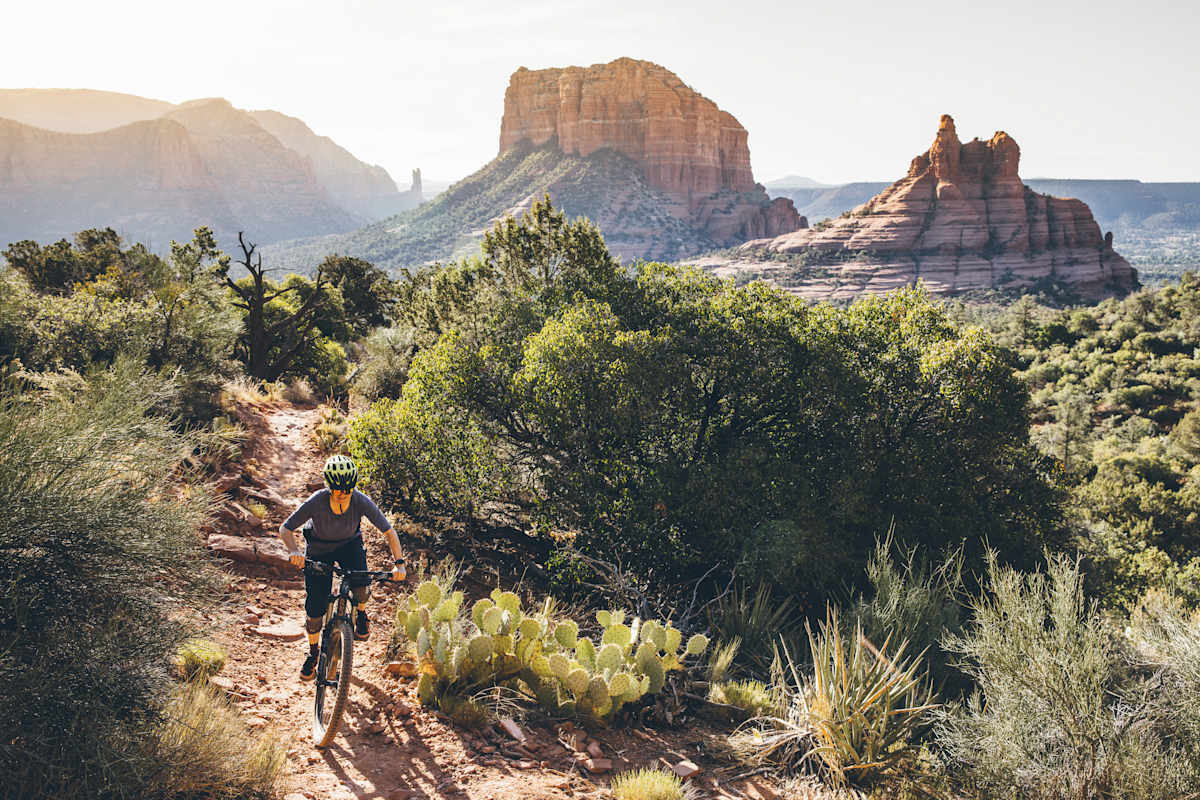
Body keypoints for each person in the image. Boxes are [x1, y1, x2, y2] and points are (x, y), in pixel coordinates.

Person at [279, 454, 406, 681]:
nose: (343, 493)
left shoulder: (360, 500)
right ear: (329, 485)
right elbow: (285, 529)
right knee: (315, 606)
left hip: (349, 546)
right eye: (337, 488)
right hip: (319, 550)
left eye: (347, 488)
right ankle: (313, 652)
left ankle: (362, 614)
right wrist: (293, 551)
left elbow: (389, 531)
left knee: (362, 587)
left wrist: (399, 564)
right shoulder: (317, 501)